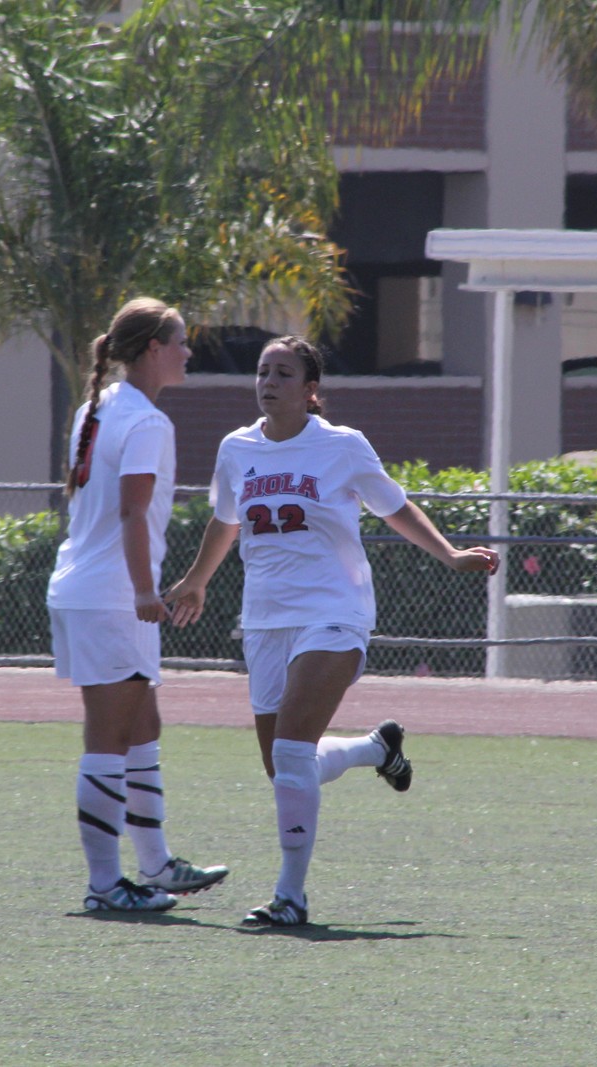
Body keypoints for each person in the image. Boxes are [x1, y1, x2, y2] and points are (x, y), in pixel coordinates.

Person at [165, 335, 500, 927]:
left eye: (283, 373)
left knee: (291, 753)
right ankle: (376, 749)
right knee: (285, 768)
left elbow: (394, 507)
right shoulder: (236, 448)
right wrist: (196, 581)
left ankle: (290, 897)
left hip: (334, 611)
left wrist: (449, 554)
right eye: (263, 372)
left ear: (310, 389)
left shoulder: (342, 446)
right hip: (265, 618)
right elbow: (225, 520)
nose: (269, 382)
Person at [46, 297, 229, 913]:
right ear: (153, 349)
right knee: (108, 739)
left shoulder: (98, 407)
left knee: (143, 727)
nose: (188, 352)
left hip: (90, 590)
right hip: (110, 598)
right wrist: (145, 591)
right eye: (180, 341)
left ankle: (156, 865)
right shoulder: (147, 421)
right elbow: (130, 510)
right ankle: (104, 886)